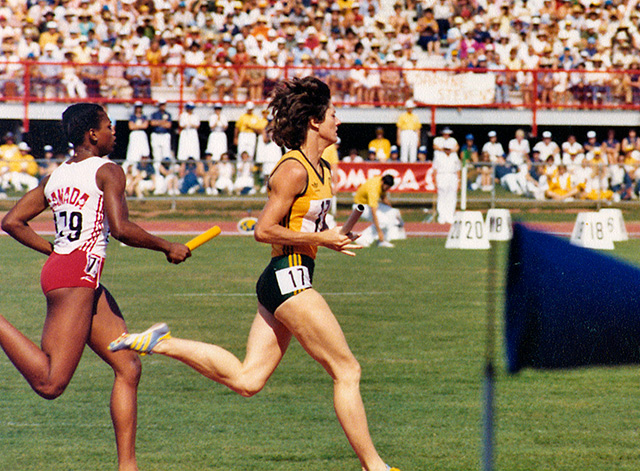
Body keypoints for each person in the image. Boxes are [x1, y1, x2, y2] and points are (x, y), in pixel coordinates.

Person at [108, 77, 401, 471]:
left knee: (248, 381)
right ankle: (375, 467)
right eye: (333, 113)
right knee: (346, 369)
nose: (339, 120)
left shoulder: (324, 167)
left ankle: (161, 343)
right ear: (314, 121)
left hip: (286, 275)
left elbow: (309, 223)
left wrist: (335, 236)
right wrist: (322, 238)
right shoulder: (293, 170)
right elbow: (263, 230)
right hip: (288, 275)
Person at [0, 103, 190, 471]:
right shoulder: (109, 170)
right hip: (76, 278)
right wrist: (168, 246)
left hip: (73, 273)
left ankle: (127, 466)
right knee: (51, 384)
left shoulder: (56, 176)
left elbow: (12, 221)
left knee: (128, 365)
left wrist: (53, 249)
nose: (113, 131)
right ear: (92, 134)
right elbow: (120, 228)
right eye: (108, 125)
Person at [353, 173, 404, 248]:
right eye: (387, 187)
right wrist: (379, 231)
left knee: (393, 212)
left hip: (367, 204)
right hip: (360, 206)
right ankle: (362, 239)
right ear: (383, 182)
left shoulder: (380, 182)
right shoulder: (373, 188)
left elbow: (384, 198)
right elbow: (373, 212)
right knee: (382, 221)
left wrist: (391, 209)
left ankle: (383, 240)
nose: (387, 189)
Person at [432, 140, 461, 224]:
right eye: (446, 149)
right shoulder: (438, 155)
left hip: (452, 176)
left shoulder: (454, 156)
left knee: (452, 196)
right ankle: (442, 216)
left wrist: (459, 181)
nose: (447, 151)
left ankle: (450, 215)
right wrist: (435, 181)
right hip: (442, 176)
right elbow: (435, 169)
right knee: (442, 196)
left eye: (449, 149)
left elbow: (458, 169)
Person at [125, 101, 151, 167]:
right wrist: (140, 125)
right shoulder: (132, 117)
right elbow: (131, 126)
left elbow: (145, 125)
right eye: (137, 107)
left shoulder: (144, 116)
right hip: (134, 134)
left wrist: (136, 126)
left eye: (140, 107)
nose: (139, 109)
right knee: (133, 152)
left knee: (144, 152)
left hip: (142, 134)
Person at [396, 98, 421, 163]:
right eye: (409, 107)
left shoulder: (415, 116)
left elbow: (418, 129)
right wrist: (398, 138)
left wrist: (418, 139)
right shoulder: (402, 116)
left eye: (411, 107)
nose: (410, 109)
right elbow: (399, 128)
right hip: (405, 132)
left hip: (413, 132)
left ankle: (413, 161)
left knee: (413, 148)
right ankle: (404, 161)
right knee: (404, 147)